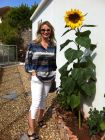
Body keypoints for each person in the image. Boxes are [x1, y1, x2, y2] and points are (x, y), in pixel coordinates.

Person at [25, 21, 57, 140]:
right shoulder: (33, 44)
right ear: (40, 31)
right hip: (37, 77)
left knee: (44, 100)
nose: (45, 32)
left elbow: (53, 61)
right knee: (36, 102)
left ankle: (40, 120)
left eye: (48, 30)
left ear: (51, 31)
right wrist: (32, 72)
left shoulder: (53, 45)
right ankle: (31, 129)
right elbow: (27, 60)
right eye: (43, 30)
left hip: (49, 78)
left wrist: (54, 73)